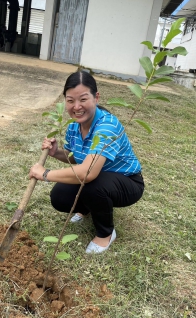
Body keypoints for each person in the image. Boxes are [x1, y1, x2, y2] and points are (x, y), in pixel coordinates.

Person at [29, 71, 144, 254]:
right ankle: (89, 208)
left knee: (92, 183)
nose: (76, 107)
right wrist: (56, 152)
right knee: (59, 196)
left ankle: (105, 234)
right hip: (98, 178)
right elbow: (77, 157)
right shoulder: (74, 126)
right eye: (70, 100)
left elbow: (87, 172)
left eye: (83, 99)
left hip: (127, 182)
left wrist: (44, 174)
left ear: (96, 97)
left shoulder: (107, 126)